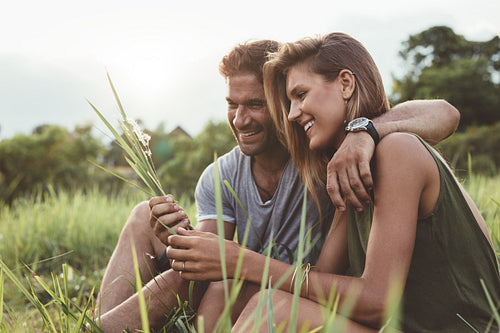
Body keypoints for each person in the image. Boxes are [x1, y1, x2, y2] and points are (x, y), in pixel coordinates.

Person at [95, 39, 460, 332]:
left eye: (256, 104)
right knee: (148, 217)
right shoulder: (222, 173)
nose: (240, 119)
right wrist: (179, 240)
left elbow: (445, 112)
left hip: (293, 293)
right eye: (232, 104)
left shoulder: (329, 160)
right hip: (266, 289)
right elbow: (206, 262)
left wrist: (364, 131)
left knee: (246, 291)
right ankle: (100, 327)